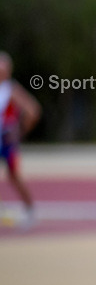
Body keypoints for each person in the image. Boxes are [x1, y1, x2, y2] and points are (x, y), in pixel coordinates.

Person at [0, 52, 42, 228]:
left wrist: (20, 131)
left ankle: (30, 210)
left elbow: (33, 110)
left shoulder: (11, 89)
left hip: (6, 141)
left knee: (14, 175)